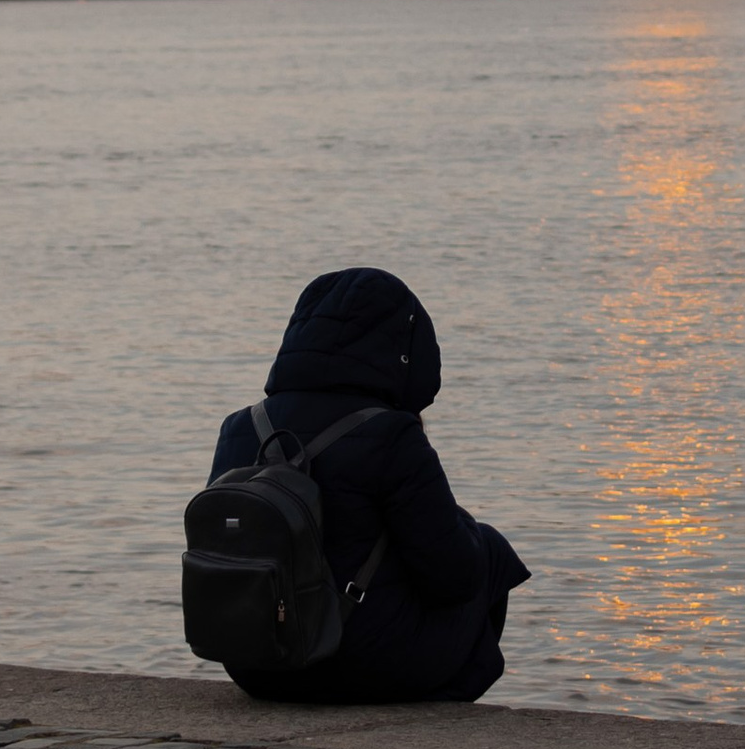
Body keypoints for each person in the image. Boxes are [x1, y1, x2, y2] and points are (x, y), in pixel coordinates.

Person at [207, 265, 528, 705]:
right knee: (489, 553)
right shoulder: (392, 435)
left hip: (255, 664)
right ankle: (446, 702)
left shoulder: (241, 426)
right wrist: (464, 527)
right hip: (362, 665)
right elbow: (453, 578)